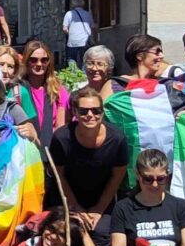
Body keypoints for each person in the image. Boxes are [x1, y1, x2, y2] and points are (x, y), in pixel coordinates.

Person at [47, 89, 128, 234]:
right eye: (83, 111)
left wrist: (99, 209)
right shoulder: (61, 138)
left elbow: (117, 178)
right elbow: (59, 176)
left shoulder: (117, 139)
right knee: (69, 230)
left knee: (102, 232)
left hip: (102, 199)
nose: (90, 115)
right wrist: (75, 206)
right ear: (75, 112)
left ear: (102, 112)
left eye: (96, 111)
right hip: (66, 198)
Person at [21, 39, 69, 142]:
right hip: (26, 144)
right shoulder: (19, 89)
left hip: (51, 144)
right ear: (26, 61)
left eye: (44, 60)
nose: (39, 64)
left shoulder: (58, 90)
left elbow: (60, 126)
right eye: (33, 60)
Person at [61, 0, 95, 67]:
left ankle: (73, 72)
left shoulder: (69, 14)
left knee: (72, 58)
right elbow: (92, 27)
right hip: (85, 40)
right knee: (85, 59)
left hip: (73, 41)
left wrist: (70, 34)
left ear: (73, 5)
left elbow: (65, 28)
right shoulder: (87, 14)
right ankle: (84, 73)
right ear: (83, 5)